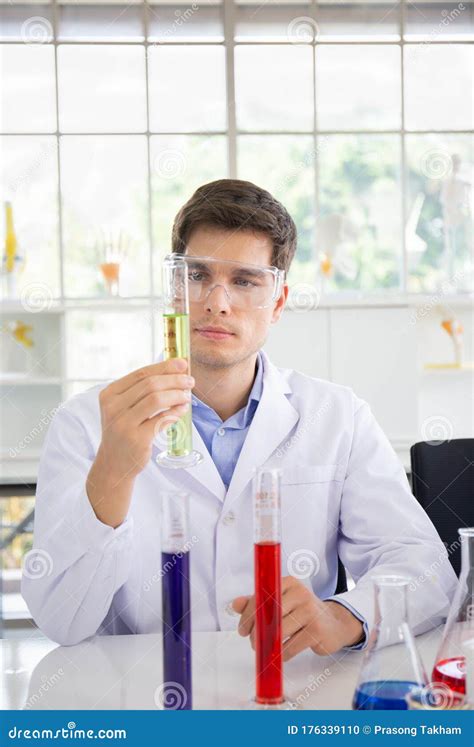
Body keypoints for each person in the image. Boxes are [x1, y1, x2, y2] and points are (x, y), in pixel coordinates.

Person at [22, 179, 457, 656]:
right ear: (174, 289)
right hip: (146, 705)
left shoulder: (338, 417)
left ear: (278, 302)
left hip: (293, 696)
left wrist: (342, 616)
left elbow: (425, 570)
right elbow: (60, 619)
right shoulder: (87, 423)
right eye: (197, 275)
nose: (216, 301)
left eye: (245, 281)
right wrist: (114, 469)